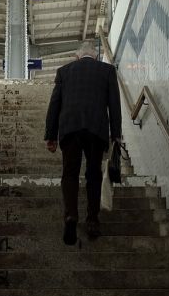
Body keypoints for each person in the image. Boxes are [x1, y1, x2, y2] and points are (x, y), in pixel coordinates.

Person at [44, 42, 122, 245]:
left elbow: (55, 104)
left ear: (77, 57)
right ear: (95, 57)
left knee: (69, 172)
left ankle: (71, 215)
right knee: (94, 174)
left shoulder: (64, 71)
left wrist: (51, 135)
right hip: (96, 129)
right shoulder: (107, 70)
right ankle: (93, 220)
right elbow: (114, 104)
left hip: (70, 127)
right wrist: (116, 134)